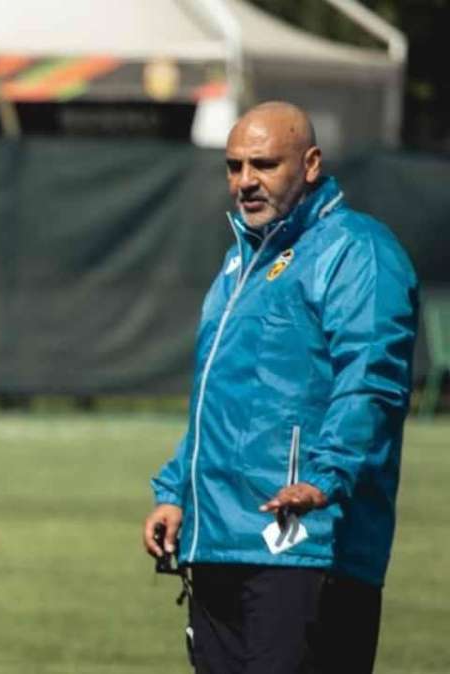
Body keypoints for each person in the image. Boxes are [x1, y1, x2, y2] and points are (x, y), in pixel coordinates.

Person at [141, 101, 418, 673]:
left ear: (311, 163)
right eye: (234, 166)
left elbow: (372, 379)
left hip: (306, 544)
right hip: (217, 540)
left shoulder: (355, 250)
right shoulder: (238, 263)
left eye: (263, 164)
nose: (245, 182)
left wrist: (324, 477)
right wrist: (176, 492)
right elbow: (219, 399)